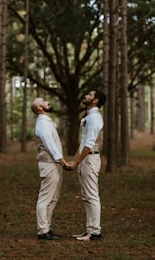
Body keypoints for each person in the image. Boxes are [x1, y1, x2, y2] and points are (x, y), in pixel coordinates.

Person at [67, 89, 106, 241]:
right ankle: (89, 230)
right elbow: (83, 142)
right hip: (85, 158)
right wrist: (74, 160)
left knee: (91, 195)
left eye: (90, 95)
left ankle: (95, 232)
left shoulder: (95, 117)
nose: (86, 96)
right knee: (86, 195)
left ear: (95, 100)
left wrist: (76, 162)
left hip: (90, 159)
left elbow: (89, 144)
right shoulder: (90, 116)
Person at [31, 97, 69, 240]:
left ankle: (46, 227)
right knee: (45, 198)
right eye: (44, 101)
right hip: (49, 164)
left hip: (55, 164)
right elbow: (50, 146)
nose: (48, 102)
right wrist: (63, 161)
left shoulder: (46, 121)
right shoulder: (42, 123)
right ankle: (43, 230)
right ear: (40, 107)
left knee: (53, 198)